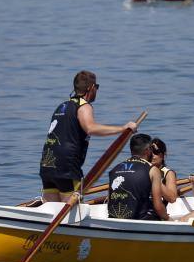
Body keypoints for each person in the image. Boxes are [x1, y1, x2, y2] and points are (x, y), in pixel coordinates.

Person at [39, 70, 138, 203]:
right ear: (91, 87)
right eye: (97, 87)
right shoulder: (84, 106)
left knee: (52, 210)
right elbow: (90, 128)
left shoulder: (61, 106)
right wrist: (122, 129)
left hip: (47, 164)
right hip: (66, 167)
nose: (97, 90)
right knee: (70, 213)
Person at [107, 133, 169, 221]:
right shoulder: (152, 170)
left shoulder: (114, 169)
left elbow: (109, 202)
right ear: (147, 150)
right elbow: (158, 206)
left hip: (114, 220)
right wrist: (169, 219)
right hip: (142, 222)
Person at [150, 137, 178, 204]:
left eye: (156, 152)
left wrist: (155, 180)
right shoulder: (143, 170)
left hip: (157, 212)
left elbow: (173, 198)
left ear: (163, 155)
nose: (153, 155)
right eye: (150, 153)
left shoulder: (168, 173)